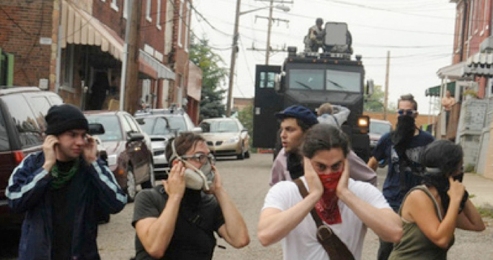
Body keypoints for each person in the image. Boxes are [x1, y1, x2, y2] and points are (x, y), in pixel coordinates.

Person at [258, 124, 402, 260]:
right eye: (321, 167)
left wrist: (345, 194)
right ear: (306, 162)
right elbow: (265, 235)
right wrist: (313, 196)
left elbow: (395, 232)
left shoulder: (361, 191)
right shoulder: (286, 191)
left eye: (336, 166)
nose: (329, 173)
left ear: (345, 162)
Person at [6, 104, 127, 259]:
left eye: (83, 135)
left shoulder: (89, 167)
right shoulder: (33, 164)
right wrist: (46, 168)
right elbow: (15, 200)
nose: (80, 142)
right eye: (72, 135)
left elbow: (117, 202)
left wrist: (93, 162)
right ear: (53, 138)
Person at [132, 132, 249, 259]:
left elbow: (240, 240)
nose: (207, 165)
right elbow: (155, 248)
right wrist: (175, 197)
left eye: (208, 158)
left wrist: (219, 191)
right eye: (199, 157)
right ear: (177, 164)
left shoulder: (208, 203)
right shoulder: (149, 198)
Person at [389, 140, 485, 259]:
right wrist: (455, 200)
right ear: (448, 172)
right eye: (460, 168)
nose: (461, 172)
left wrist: (462, 196)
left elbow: (477, 225)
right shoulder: (419, 196)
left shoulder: (444, 198)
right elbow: (441, 240)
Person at [367, 93, 434, 260]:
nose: (404, 116)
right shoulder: (388, 139)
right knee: (387, 245)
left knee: (415, 246)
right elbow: (372, 164)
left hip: (419, 201)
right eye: (401, 112)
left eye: (409, 112)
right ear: (396, 114)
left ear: (416, 114)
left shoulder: (428, 141)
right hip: (392, 199)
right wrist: (369, 189)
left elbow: (435, 168)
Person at [270, 104, 377, 186]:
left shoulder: (336, 153)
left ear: (308, 132)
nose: (282, 135)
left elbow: (369, 179)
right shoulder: (283, 157)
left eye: (290, 130)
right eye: (282, 129)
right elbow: (275, 190)